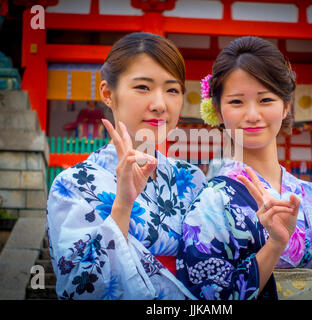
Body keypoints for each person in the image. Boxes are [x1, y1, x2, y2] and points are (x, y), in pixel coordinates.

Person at [177, 36, 312, 300]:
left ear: (286, 107)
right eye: (236, 102)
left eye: (266, 100)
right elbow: (208, 298)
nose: (253, 114)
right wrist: (275, 245)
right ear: (219, 112)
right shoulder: (211, 201)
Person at [46, 32, 207, 300]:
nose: (159, 104)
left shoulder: (192, 179)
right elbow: (79, 288)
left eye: (172, 90)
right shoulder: (74, 183)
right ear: (108, 93)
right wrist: (122, 204)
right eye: (143, 87)